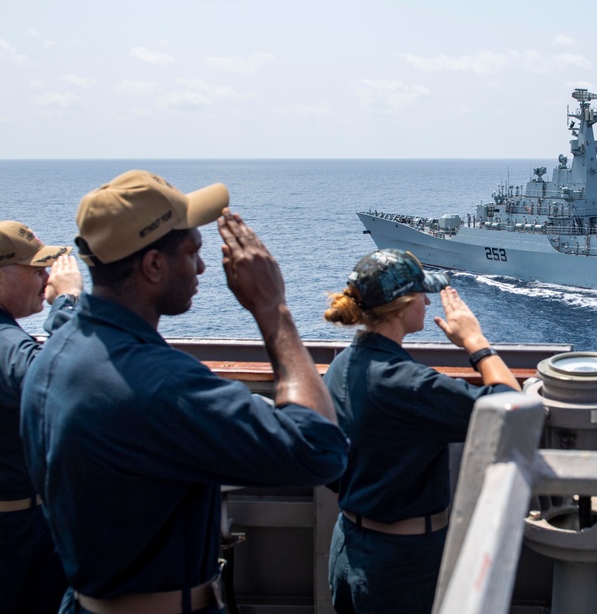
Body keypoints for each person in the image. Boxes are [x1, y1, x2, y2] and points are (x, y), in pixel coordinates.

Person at [20, 170, 350, 614]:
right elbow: (320, 450)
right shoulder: (158, 384)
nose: (202, 267)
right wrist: (273, 309)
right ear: (154, 266)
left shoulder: (56, 352)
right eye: (193, 252)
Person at [323, 248, 521, 614]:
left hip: (348, 547)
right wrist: (475, 342)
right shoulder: (408, 384)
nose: (429, 301)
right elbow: (511, 408)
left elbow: (331, 468)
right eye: (422, 295)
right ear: (403, 306)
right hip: (402, 567)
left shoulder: (340, 366)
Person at [0, 222, 83, 614]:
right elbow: (56, 382)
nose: (46, 278)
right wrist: (66, 303)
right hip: (15, 535)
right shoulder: (5, 343)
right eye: (35, 270)